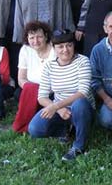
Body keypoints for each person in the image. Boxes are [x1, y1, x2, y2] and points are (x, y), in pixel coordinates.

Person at [28, 29, 95, 162]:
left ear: (74, 45)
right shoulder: (49, 66)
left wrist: (56, 105)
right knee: (34, 129)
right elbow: (42, 97)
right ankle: (66, 130)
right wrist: (58, 109)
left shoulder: (83, 61)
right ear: (54, 48)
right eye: (60, 46)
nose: (65, 50)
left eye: (69, 45)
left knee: (79, 103)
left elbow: (83, 92)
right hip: (61, 110)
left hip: (82, 109)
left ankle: (79, 145)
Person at [12, 21, 56, 133]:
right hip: (31, 90)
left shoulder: (55, 50)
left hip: (51, 91)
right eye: (31, 37)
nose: (35, 41)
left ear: (46, 36)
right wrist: (32, 89)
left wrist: (41, 91)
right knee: (18, 93)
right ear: (27, 38)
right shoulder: (25, 50)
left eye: (39, 37)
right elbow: (21, 78)